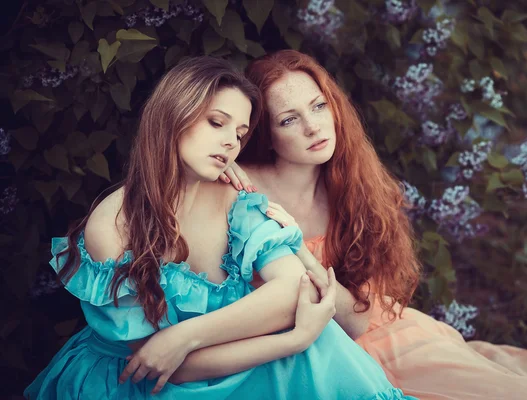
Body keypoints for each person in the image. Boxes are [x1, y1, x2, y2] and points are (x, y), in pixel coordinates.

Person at [24, 57, 417, 400]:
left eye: (241, 134)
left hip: (221, 359)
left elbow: (290, 289)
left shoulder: (236, 199)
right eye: (217, 123)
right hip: (138, 382)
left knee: (320, 349)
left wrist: (184, 336)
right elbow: (157, 364)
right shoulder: (111, 224)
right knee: (309, 348)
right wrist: (293, 338)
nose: (230, 142)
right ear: (173, 116)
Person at [221, 49, 527, 399]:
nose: (313, 127)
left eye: (318, 106)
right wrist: (224, 164)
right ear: (265, 135)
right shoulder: (238, 186)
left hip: (376, 335)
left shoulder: (355, 188)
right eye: (289, 119)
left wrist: (296, 248)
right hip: (296, 353)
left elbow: (356, 324)